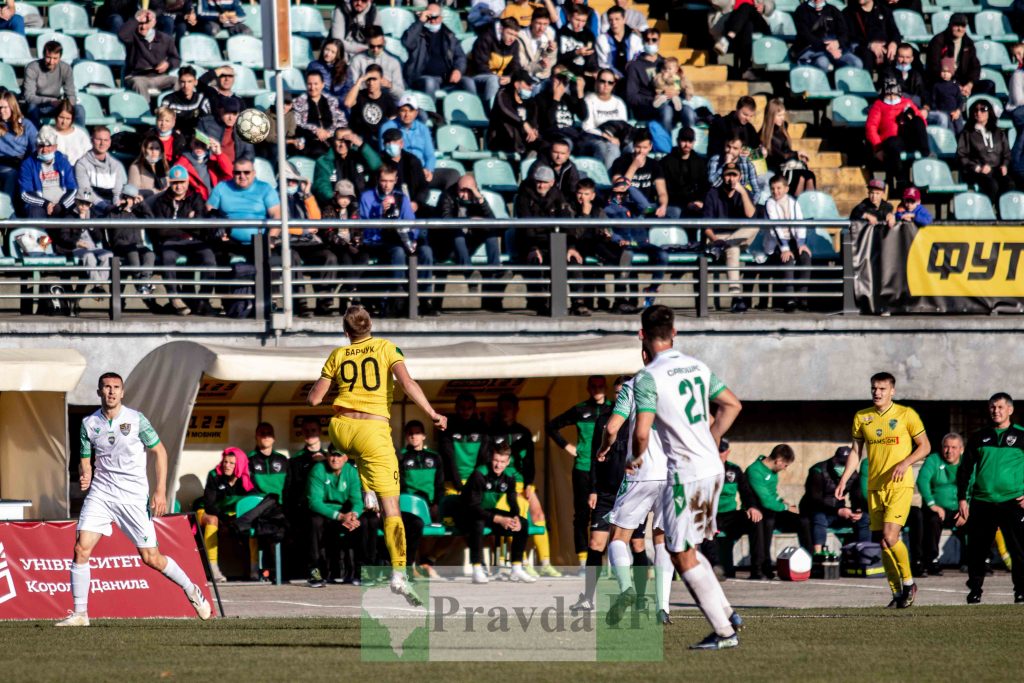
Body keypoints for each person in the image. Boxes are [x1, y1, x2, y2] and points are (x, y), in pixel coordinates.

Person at [307, 304, 449, 605]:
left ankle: (367, 489)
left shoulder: (338, 354)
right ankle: (399, 575)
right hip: (373, 432)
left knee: (358, 455)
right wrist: (432, 413)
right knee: (392, 508)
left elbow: (315, 398)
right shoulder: (386, 348)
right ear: (370, 327)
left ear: (347, 333)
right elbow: (407, 383)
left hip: (340, 429)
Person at [625, 305, 744, 649]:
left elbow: (642, 431)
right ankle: (727, 614)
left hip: (686, 473)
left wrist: (635, 457)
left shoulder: (648, 376)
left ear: (642, 335)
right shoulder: (697, 365)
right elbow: (733, 405)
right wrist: (712, 439)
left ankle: (724, 632)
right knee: (688, 545)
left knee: (679, 551)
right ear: (674, 332)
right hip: (712, 468)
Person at [56, 373, 211, 626]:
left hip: (132, 496)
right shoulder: (88, 423)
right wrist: (85, 474)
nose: (111, 392)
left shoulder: (136, 420)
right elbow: (85, 459)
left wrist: (160, 491)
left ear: (123, 392)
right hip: (102, 494)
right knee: (80, 548)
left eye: (116, 387)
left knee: (151, 558)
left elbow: (159, 452)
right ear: (99, 392)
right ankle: (80, 614)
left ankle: (191, 589)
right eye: (106, 387)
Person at [836, 371, 931, 608]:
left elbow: (925, 446)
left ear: (892, 391)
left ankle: (909, 583)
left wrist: (905, 462)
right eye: (874, 389)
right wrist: (844, 480)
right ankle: (897, 592)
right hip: (875, 487)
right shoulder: (862, 417)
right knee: (883, 543)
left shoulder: (906, 414)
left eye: (882, 389)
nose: (877, 393)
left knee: (891, 536)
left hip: (900, 485)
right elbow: (856, 452)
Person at [590, 367, 668, 624]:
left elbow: (612, 427)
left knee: (618, 536)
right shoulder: (675, 383)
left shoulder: (633, 386)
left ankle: (626, 590)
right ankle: (663, 609)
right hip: (672, 473)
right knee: (661, 539)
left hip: (641, 470)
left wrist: (604, 448)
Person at [956, 393, 1024, 604]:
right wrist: (962, 499)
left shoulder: (1022, 436)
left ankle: (1021, 590)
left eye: (1000, 407)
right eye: (993, 407)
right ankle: (975, 590)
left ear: (1010, 410)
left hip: (1012, 502)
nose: (996, 411)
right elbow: (965, 470)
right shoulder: (979, 436)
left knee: (1019, 549)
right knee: (977, 549)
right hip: (982, 502)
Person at [490, 392, 559, 577]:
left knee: (538, 513)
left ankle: (545, 562)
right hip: (502, 485)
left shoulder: (524, 432)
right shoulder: (492, 431)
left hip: (522, 483)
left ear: (516, 410)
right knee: (516, 515)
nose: (505, 412)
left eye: (509, 408)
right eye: (502, 408)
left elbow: (530, 462)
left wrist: (529, 484)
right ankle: (523, 562)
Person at [547, 375, 612, 570]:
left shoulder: (613, 408)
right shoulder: (580, 409)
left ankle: (608, 559)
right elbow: (552, 426)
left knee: (609, 513)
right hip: (583, 466)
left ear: (605, 387)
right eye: (593, 386)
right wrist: (568, 447)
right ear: (588, 388)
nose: (597, 390)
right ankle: (583, 561)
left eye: (600, 386)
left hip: (607, 468)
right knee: (582, 514)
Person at [358, 162, 439, 316]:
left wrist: (413, 240)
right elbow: (366, 229)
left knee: (426, 251)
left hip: (401, 239)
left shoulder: (401, 198)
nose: (387, 185)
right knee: (398, 252)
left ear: (395, 181)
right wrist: (380, 212)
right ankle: (397, 297)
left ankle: (424, 299)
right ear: (378, 179)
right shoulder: (367, 197)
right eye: (383, 181)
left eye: (390, 181)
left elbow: (411, 223)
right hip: (379, 241)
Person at [459, 443, 536, 584]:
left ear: (507, 462)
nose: (498, 465)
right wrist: (498, 519)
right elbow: (473, 507)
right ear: (491, 458)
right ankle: (477, 569)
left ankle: (517, 568)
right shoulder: (479, 474)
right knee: (478, 523)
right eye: (495, 460)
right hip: (466, 513)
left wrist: (516, 517)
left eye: (502, 462)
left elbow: (513, 502)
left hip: (486, 512)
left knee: (523, 524)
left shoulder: (509, 476)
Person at [148, 164, 211, 316]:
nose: (179, 186)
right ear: (170, 183)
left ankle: (204, 299)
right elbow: (161, 230)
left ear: (188, 182)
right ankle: (174, 296)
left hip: (194, 240)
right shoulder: (161, 201)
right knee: (167, 256)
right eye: (175, 182)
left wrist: (178, 224)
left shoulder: (195, 198)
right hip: (171, 242)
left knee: (209, 258)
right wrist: (187, 221)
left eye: (182, 182)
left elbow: (200, 226)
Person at [435, 174, 504, 311]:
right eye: (462, 190)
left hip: (470, 242)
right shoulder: (447, 196)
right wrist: (468, 221)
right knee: (457, 233)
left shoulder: (477, 198)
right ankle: (469, 274)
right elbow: (445, 221)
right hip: (450, 245)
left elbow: (492, 221)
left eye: (469, 191)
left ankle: (495, 270)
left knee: (491, 233)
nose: (465, 195)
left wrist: (479, 199)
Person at [746, 444, 811, 579]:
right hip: (758, 511)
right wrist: (786, 508)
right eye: (785, 465)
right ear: (779, 461)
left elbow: (773, 495)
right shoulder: (755, 470)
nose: (785, 468)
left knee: (803, 520)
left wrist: (784, 503)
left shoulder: (773, 472)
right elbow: (766, 501)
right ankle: (761, 567)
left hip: (773, 510)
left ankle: (811, 561)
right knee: (765, 521)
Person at [702, 162, 757, 313]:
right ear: (722, 176)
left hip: (738, 236)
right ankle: (736, 297)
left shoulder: (744, 192)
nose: (731, 179)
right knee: (733, 249)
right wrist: (715, 240)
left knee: (755, 225)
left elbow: (751, 216)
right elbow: (706, 227)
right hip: (716, 237)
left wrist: (744, 193)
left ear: (739, 177)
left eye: (734, 175)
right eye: (728, 175)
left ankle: (725, 244)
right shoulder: (712, 193)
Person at [702, 438, 760, 579]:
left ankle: (758, 568)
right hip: (710, 515)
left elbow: (746, 492)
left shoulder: (734, 470)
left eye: (721, 451)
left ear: (727, 452)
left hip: (730, 515)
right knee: (706, 530)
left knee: (757, 521)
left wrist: (752, 507)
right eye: (715, 451)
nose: (718, 454)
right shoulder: (703, 470)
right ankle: (716, 567)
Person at [306, 448, 364, 587]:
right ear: (327, 456)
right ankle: (315, 571)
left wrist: (354, 515)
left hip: (344, 513)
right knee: (314, 523)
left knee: (362, 523)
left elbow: (357, 500)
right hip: (324, 512)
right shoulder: (318, 470)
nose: (335, 459)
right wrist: (340, 516)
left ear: (345, 458)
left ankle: (358, 572)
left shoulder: (351, 471)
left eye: (339, 456)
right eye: (332, 455)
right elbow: (314, 502)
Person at [800, 446, 869, 554]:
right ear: (834, 459)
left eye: (845, 465)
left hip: (839, 511)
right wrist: (837, 510)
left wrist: (857, 510)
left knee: (864, 518)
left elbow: (856, 496)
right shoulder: (818, 471)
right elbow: (815, 500)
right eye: (840, 463)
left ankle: (865, 552)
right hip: (818, 510)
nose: (841, 467)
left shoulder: (853, 474)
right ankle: (818, 554)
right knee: (819, 517)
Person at [199, 447, 254, 582]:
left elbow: (251, 503)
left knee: (253, 521)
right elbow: (209, 505)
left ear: (239, 464)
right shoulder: (214, 475)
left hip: (230, 515)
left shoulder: (246, 478)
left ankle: (254, 568)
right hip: (205, 511)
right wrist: (225, 520)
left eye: (231, 463)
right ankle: (213, 569)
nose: (226, 466)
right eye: (225, 462)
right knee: (213, 520)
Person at [398, 420, 444, 579]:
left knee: (454, 530)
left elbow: (439, 484)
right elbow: (401, 486)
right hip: (411, 507)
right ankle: (413, 566)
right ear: (406, 436)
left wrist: (437, 504)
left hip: (433, 506)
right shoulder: (401, 457)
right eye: (410, 433)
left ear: (424, 436)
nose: (414, 436)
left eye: (417, 433)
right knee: (414, 529)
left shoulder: (434, 457)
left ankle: (428, 562)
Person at [865, 76, 927, 189]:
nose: (892, 97)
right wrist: (878, 148)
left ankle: (925, 153)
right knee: (893, 143)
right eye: (888, 94)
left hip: (907, 139)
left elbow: (921, 121)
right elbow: (871, 127)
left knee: (917, 121)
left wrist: (910, 116)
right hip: (890, 142)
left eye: (894, 94)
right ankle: (901, 179)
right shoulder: (878, 105)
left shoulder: (907, 103)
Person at [625, 28, 687, 134]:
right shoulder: (635, 66)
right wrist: (652, 99)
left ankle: (687, 144)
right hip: (647, 106)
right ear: (642, 41)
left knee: (688, 112)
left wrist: (677, 92)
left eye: (654, 40)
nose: (650, 42)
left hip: (671, 101)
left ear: (659, 41)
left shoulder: (666, 63)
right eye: (647, 39)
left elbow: (681, 86)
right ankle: (667, 147)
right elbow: (631, 96)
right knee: (667, 111)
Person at [764, 174, 812, 312]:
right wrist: (784, 248)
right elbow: (775, 227)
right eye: (772, 189)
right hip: (777, 243)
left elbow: (799, 224)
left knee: (805, 257)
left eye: (779, 188)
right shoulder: (769, 203)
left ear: (786, 188)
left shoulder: (793, 202)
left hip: (793, 240)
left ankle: (802, 298)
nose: (776, 192)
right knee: (788, 259)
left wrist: (801, 244)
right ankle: (789, 298)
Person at [401, 3, 470, 99]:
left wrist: (458, 70)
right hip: (422, 77)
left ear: (441, 18)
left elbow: (460, 56)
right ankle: (431, 112)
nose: (432, 21)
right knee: (430, 83)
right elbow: (407, 42)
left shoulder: (449, 35)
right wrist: (420, 21)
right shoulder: (419, 34)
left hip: (446, 77)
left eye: (435, 17)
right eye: (429, 17)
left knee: (468, 82)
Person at [917, 433, 962, 576]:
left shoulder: (967, 462)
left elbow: (974, 486)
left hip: (960, 508)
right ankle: (931, 560)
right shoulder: (933, 460)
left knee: (978, 520)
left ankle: (976, 561)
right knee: (932, 520)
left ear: (961, 449)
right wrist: (932, 504)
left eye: (954, 447)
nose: (949, 451)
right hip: (937, 509)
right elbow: (922, 481)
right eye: (946, 447)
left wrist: (967, 509)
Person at [118, 10, 180, 102]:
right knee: (138, 83)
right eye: (140, 23)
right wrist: (136, 19)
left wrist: (168, 64)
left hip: (159, 77)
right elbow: (121, 35)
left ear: (154, 22)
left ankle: (172, 112)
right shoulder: (132, 37)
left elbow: (176, 59)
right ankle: (145, 112)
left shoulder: (165, 39)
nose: (143, 27)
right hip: (137, 76)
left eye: (147, 23)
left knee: (177, 81)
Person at [957, 99, 1011, 204]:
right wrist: (977, 168)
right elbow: (961, 156)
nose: (979, 112)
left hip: (996, 170)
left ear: (989, 112)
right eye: (976, 110)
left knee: (1009, 184)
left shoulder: (998, 133)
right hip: (976, 172)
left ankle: (1004, 215)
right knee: (992, 185)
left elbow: (1006, 153)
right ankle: (986, 214)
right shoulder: (967, 133)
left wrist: (1005, 165)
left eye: (983, 109)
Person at [760, 98, 816, 196]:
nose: (782, 118)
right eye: (779, 115)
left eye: (783, 115)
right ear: (771, 116)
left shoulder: (783, 128)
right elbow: (781, 156)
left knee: (810, 175)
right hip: (777, 170)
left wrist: (800, 160)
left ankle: (810, 207)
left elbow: (788, 151)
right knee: (801, 176)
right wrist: (797, 154)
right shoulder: (764, 135)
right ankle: (795, 204)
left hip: (788, 167)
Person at [20, 125, 77, 219]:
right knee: (34, 211)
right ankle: (40, 234)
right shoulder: (28, 164)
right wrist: (46, 204)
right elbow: (25, 193)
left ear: (55, 147)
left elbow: (73, 189)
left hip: (61, 204)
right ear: (36, 146)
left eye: (48, 145)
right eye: (41, 146)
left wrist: (61, 205)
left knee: (74, 213)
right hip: (40, 205)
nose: (45, 150)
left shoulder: (63, 160)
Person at [439, 392, 491, 491]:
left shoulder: (482, 427)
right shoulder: (447, 427)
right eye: (462, 407)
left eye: (469, 408)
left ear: (474, 409)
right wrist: (459, 486)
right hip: (451, 482)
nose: (465, 411)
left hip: (475, 480)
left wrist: (476, 480)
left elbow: (483, 458)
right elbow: (449, 459)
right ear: (456, 408)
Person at [24, 40, 83, 126]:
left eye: (55, 58)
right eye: (48, 57)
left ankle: (78, 136)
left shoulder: (66, 69)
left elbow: (71, 94)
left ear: (60, 57)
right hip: (38, 104)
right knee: (31, 107)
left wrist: (66, 104)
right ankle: (34, 136)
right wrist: (50, 101)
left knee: (79, 109)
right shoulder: (32, 68)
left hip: (57, 104)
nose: (51, 62)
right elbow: (29, 96)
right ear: (44, 55)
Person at [925, 13, 985, 98]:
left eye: (963, 26)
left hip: (963, 81)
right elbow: (934, 67)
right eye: (957, 25)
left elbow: (975, 66)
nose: (960, 29)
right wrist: (954, 84)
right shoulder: (938, 41)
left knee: (988, 85)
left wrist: (969, 85)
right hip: (943, 80)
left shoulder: (968, 43)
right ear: (950, 25)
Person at [312, 128, 378, 205]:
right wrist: (334, 198)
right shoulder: (324, 161)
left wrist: (361, 144)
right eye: (339, 140)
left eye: (346, 141)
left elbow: (377, 165)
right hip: (334, 203)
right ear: (333, 141)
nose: (342, 144)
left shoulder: (360, 157)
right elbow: (322, 184)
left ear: (352, 142)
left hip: (361, 202)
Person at [470, 17, 524, 112]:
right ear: (501, 29)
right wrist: (498, 77)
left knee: (521, 82)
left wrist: (510, 77)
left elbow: (516, 66)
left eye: (515, 35)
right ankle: (491, 113)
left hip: (499, 78)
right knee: (493, 79)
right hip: (476, 77)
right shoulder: (485, 38)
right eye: (509, 33)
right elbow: (480, 65)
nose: (512, 38)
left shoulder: (514, 44)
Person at [793, 0, 863, 72]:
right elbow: (805, 35)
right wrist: (827, 47)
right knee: (822, 62)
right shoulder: (801, 10)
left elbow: (844, 33)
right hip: (813, 50)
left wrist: (838, 43)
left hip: (836, 48)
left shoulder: (833, 10)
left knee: (856, 63)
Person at [75, 126, 127, 218]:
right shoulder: (81, 164)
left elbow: (117, 192)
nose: (102, 143)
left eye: (106, 140)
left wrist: (116, 206)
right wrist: (105, 206)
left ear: (110, 142)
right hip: (92, 205)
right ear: (92, 140)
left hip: (112, 205)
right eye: (99, 139)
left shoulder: (116, 165)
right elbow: (86, 192)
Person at [581, 68, 629, 167]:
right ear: (597, 82)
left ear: (614, 84)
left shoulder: (618, 102)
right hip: (595, 137)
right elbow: (587, 127)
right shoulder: (589, 100)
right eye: (602, 81)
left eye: (610, 82)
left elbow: (624, 125)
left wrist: (617, 139)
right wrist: (608, 137)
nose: (606, 85)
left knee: (633, 148)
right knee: (610, 149)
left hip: (616, 137)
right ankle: (611, 180)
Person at [487, 70, 542, 155]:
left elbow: (534, 116)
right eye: (528, 84)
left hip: (523, 139)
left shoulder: (530, 101)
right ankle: (522, 152)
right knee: (510, 125)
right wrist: (523, 123)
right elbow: (506, 111)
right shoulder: (503, 94)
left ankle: (532, 154)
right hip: (501, 139)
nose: (531, 87)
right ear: (516, 84)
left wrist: (534, 128)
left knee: (543, 141)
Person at [295, 71, 348, 158]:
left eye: (316, 84)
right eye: (309, 84)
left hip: (333, 138)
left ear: (322, 85)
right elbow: (298, 123)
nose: (312, 87)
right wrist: (315, 130)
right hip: (312, 141)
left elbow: (342, 121)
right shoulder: (299, 102)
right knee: (322, 153)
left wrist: (329, 133)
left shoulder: (331, 100)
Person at [344, 65, 397, 150]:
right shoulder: (359, 95)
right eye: (368, 79)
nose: (371, 83)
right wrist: (359, 81)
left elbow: (393, 122)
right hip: (358, 137)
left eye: (374, 79)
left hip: (378, 139)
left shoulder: (387, 98)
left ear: (381, 79)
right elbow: (347, 103)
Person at [714, 0, 771, 77]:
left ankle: (727, 39)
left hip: (757, 21)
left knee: (746, 7)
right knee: (748, 24)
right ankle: (745, 69)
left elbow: (771, 4)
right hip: (734, 20)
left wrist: (764, 7)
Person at [661, 127, 708, 216]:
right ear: (677, 141)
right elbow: (667, 189)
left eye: (690, 141)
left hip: (695, 202)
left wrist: (700, 201)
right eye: (684, 141)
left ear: (694, 142)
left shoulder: (700, 162)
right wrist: (687, 203)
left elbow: (704, 186)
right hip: (674, 203)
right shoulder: (666, 162)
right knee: (676, 212)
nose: (687, 145)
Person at [197, 97, 255, 169]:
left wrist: (238, 167)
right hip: (212, 168)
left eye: (234, 113)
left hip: (235, 170)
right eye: (227, 113)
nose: (231, 118)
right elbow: (197, 147)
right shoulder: (206, 124)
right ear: (220, 111)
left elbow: (249, 153)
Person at [843, 0, 900, 72]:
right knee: (866, 55)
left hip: (883, 47)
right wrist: (870, 45)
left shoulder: (884, 10)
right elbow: (850, 36)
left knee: (904, 53)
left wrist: (893, 44)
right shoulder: (849, 13)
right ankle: (867, 81)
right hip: (862, 47)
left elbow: (895, 32)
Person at [348, 27, 406, 97]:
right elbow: (350, 87)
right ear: (367, 43)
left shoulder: (394, 62)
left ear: (384, 42)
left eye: (379, 46)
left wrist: (389, 85)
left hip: (386, 102)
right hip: (363, 100)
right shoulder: (357, 60)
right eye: (372, 46)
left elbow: (401, 94)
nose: (375, 49)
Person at [0, 93, 39, 198]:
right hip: (3, 163)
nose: (1, 111)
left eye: (5, 107)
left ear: (12, 107)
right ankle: (7, 209)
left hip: (21, 162)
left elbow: (35, 146)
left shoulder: (26, 124)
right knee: (11, 175)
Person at [248, 422, 290, 504]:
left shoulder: (283, 459)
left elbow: (288, 487)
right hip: (259, 505)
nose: (266, 436)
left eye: (269, 433)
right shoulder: (248, 460)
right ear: (256, 437)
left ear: (274, 438)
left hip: (281, 506)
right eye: (262, 433)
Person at [164, 66, 212, 137]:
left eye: (190, 81)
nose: (186, 86)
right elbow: (163, 123)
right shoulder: (168, 100)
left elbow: (208, 123)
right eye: (183, 82)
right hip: (175, 136)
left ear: (195, 82)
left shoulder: (202, 100)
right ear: (179, 82)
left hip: (196, 137)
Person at [707, 95, 760, 159]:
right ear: (737, 109)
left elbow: (756, 148)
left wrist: (752, 153)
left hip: (744, 164)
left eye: (751, 116)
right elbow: (714, 149)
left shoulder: (750, 129)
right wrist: (736, 152)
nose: (748, 119)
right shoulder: (720, 124)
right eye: (745, 114)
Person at [597, 5, 642, 78]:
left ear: (624, 20)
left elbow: (638, 58)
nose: (613, 23)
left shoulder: (635, 39)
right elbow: (604, 64)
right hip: (612, 77)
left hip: (632, 76)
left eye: (617, 19)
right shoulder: (602, 40)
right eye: (610, 20)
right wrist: (618, 76)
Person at [557, 3, 599, 80]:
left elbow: (592, 59)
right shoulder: (561, 33)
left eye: (583, 21)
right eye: (577, 20)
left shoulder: (589, 35)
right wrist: (576, 53)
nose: (580, 24)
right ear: (569, 17)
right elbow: (559, 58)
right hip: (566, 71)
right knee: (559, 70)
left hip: (583, 72)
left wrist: (594, 71)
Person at [517, 8, 558, 83]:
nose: (541, 28)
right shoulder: (520, 37)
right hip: (524, 78)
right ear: (532, 22)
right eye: (538, 23)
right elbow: (522, 66)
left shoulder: (550, 34)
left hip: (544, 78)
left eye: (545, 24)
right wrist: (539, 65)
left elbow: (552, 63)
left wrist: (550, 52)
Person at [929, 57, 964, 134]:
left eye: (948, 71)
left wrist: (958, 111)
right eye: (943, 71)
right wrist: (937, 110)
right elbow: (933, 100)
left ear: (952, 73)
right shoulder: (937, 86)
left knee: (960, 130)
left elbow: (960, 100)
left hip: (955, 113)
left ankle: (961, 145)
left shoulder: (955, 86)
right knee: (950, 130)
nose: (945, 74)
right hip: (944, 113)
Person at [128, 133, 170, 198]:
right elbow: (133, 192)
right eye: (151, 148)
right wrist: (158, 192)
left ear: (161, 151)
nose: (154, 151)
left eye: (157, 148)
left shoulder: (164, 166)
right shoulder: (135, 167)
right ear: (144, 150)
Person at [53, 100, 90, 166]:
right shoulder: (48, 133)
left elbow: (88, 155)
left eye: (68, 118)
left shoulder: (81, 134)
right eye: (61, 117)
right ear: (56, 116)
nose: (64, 122)